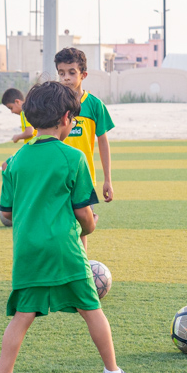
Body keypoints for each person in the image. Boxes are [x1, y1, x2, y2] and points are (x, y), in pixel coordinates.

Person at [0, 81, 125, 373]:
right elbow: (84, 215)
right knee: (91, 309)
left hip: (28, 251)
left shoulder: (16, 161)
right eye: (74, 119)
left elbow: (6, 213)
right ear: (65, 118)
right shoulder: (73, 158)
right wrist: (90, 228)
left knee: (22, 316)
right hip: (65, 249)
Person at [55, 47, 115, 249]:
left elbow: (103, 142)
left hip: (83, 176)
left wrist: (107, 179)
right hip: (56, 174)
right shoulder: (53, 104)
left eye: (72, 72)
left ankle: (81, 270)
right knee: (58, 224)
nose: (66, 78)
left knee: (81, 227)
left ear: (84, 74)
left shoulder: (95, 105)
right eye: (61, 73)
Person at [0, 87, 35, 209]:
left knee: (6, 166)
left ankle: (7, 201)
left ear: (18, 102)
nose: (11, 111)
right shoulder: (31, 109)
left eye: (11, 108)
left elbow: (30, 132)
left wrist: (17, 136)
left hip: (31, 150)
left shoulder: (25, 112)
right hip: (31, 150)